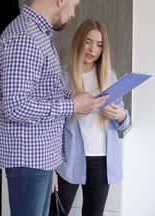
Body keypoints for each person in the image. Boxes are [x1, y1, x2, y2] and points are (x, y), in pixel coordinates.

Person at [0, 0, 109, 216]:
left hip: (40, 156)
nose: (74, 14)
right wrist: (73, 105)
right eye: (74, 6)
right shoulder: (25, 38)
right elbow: (16, 106)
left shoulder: (40, 36)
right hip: (28, 158)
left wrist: (73, 95)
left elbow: (45, 92)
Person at [49, 19, 131, 216]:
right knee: (56, 213)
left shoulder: (108, 76)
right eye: (88, 41)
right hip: (68, 159)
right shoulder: (62, 78)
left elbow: (124, 123)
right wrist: (51, 169)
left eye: (99, 44)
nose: (93, 49)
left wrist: (120, 116)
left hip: (102, 161)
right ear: (78, 41)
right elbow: (51, 127)